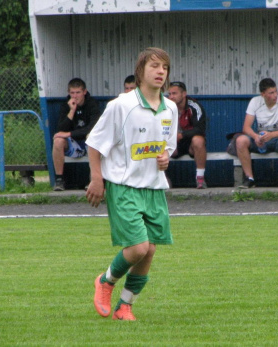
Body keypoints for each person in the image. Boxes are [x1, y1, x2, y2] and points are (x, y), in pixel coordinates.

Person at [86, 47, 177, 321]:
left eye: (165, 68)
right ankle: (105, 281)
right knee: (137, 247)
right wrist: (96, 178)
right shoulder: (121, 105)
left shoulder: (170, 107)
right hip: (124, 187)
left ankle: (125, 306)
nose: (161, 72)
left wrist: (165, 159)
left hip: (154, 187)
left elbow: (167, 147)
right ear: (140, 72)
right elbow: (94, 143)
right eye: (154, 66)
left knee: (149, 250)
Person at [233, 78, 278, 188]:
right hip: (260, 139)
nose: (275, 95)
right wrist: (255, 137)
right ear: (263, 94)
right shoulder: (255, 102)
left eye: (276, 91)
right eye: (271, 93)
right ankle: (249, 178)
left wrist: (272, 135)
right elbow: (246, 128)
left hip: (277, 139)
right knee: (241, 140)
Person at [52, 78, 101, 191]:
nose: (75, 96)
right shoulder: (66, 105)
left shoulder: (92, 104)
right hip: (74, 143)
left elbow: (92, 129)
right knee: (58, 140)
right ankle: (59, 180)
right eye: (72, 93)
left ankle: (92, 181)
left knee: (92, 138)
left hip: (89, 143)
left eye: (78, 92)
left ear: (84, 92)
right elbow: (60, 129)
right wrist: (72, 111)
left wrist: (69, 134)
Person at [167, 81, 208, 188]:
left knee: (198, 140)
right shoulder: (165, 106)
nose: (171, 97)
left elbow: (200, 128)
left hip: (190, 144)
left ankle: (200, 178)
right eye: (169, 94)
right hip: (173, 144)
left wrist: (181, 135)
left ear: (184, 94)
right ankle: (163, 179)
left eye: (174, 93)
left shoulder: (194, 106)